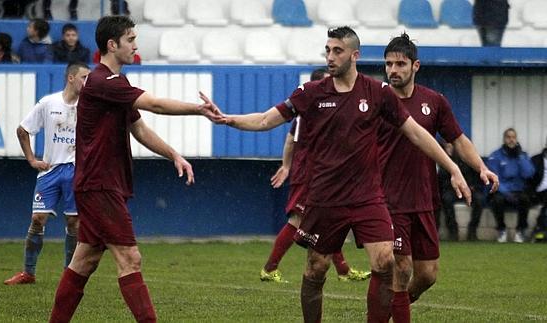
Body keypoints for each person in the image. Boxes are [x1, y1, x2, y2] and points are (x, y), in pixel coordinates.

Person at [202, 26, 472, 322]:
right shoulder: (311, 93)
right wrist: (228, 120)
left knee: (385, 262)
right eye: (328, 50)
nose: (330, 56)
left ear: (354, 55)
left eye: (337, 51)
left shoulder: (378, 93)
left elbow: (417, 134)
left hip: (369, 197)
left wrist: (453, 167)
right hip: (326, 197)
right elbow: (267, 119)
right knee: (317, 267)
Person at [48, 15, 222, 323]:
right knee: (130, 257)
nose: (136, 45)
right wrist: (198, 109)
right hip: (100, 186)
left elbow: (139, 129)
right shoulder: (103, 81)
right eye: (130, 39)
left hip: (97, 185)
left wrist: (174, 155)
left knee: (84, 261)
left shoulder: (116, 84)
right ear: (112, 45)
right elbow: (153, 104)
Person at [378, 33, 498, 322]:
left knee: (428, 275)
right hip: (388, 199)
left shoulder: (434, 101)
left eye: (400, 64)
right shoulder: (377, 101)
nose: (393, 70)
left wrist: (481, 167)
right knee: (402, 267)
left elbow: (457, 139)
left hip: (423, 198)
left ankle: (392, 308)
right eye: (388, 64)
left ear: (415, 66)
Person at [261, 67, 371, 283]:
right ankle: (269, 268)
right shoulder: (309, 111)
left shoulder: (323, 110)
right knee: (298, 219)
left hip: (319, 172)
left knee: (328, 220)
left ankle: (343, 270)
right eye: (328, 81)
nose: (333, 85)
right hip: (308, 173)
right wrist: (286, 167)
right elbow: (291, 140)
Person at [4, 62, 90, 285]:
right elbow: (22, 130)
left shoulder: (90, 105)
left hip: (76, 171)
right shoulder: (48, 103)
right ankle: (28, 273)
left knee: (74, 222)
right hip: (50, 170)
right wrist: (32, 159)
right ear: (70, 78)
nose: (87, 82)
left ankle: (69, 275)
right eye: (83, 77)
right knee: (37, 218)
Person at [487, 128, 535, 243]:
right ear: (504, 139)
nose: (511, 140)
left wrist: (520, 157)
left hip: (519, 190)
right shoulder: (496, 156)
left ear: (516, 139)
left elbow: (529, 174)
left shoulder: (522, 155)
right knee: (496, 201)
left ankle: (520, 231)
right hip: (502, 191)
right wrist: (506, 193)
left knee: (525, 199)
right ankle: (502, 230)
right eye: (508, 137)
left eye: (513, 137)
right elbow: (494, 178)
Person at [438, 142, 487, 241]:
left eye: (451, 146)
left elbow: (475, 175)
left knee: (479, 199)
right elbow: (442, 180)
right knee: (446, 199)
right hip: (452, 190)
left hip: (467, 188)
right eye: (447, 146)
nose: (450, 149)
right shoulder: (444, 162)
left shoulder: (466, 159)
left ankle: (472, 230)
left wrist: (472, 186)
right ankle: (453, 230)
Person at [530, 139, 547, 241]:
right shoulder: (536, 160)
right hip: (539, 192)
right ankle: (540, 230)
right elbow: (529, 177)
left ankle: (539, 229)